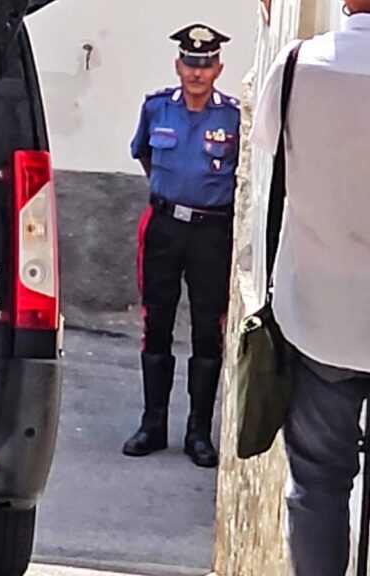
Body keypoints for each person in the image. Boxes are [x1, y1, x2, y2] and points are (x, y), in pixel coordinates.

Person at [251, 3, 370, 574]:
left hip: (321, 320)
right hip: (324, 320)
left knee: (319, 483)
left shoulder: (298, 67)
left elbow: (267, 153)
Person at [123, 24, 241, 468]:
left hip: (212, 232)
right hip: (165, 227)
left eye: (205, 65)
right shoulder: (157, 108)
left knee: (208, 329)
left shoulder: (233, 117)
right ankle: (152, 424)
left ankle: (198, 432)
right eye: (190, 63)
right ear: (178, 66)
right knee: (156, 322)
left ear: (218, 69)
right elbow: (144, 155)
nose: (196, 73)